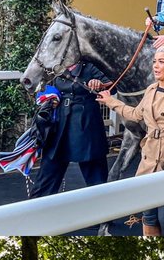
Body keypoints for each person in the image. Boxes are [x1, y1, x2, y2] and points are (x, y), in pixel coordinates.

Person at [97, 45, 164, 236]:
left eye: (161, 62)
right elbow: (135, 114)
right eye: (154, 62)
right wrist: (111, 101)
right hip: (148, 160)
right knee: (149, 217)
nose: (156, 66)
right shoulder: (151, 90)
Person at [25, 58, 110, 197]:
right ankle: (35, 212)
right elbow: (42, 88)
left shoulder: (91, 67)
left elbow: (112, 87)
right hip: (59, 126)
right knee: (47, 174)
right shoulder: (53, 68)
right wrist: (47, 97)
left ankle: (104, 216)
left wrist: (99, 85)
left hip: (86, 126)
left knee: (96, 178)